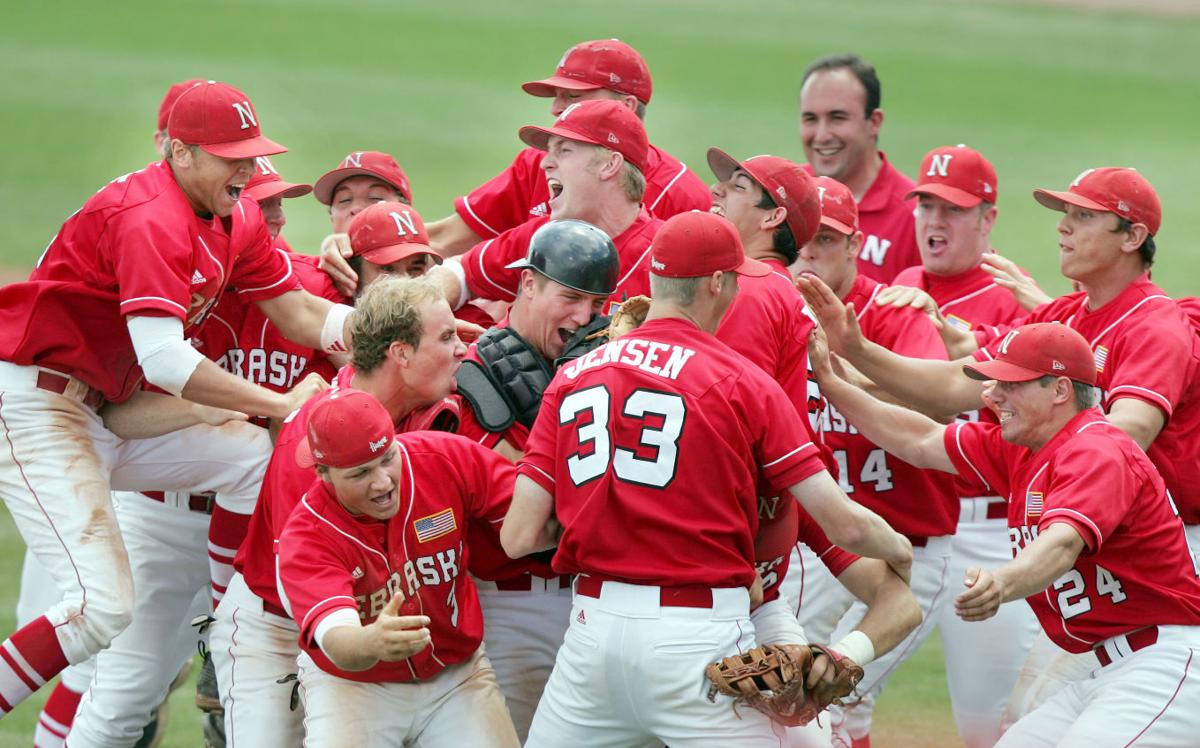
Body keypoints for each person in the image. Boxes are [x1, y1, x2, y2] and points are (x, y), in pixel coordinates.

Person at [501, 211, 912, 746]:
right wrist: (899, 548)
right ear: (718, 284)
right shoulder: (745, 382)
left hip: (590, 642)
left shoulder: (574, 376)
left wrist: (604, 520)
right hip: (697, 642)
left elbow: (518, 536)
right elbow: (846, 526)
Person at [0, 80, 345, 717]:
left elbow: (297, 310)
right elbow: (165, 359)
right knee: (100, 609)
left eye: (250, 151)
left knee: (248, 459)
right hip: (40, 409)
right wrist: (279, 403)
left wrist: (375, 329)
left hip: (105, 410)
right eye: (230, 154)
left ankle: (224, 626)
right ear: (180, 153)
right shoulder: (148, 215)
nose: (246, 167)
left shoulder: (234, 214)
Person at [809, 320, 1200, 747]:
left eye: (1010, 384)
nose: (991, 395)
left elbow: (1063, 542)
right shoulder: (1026, 449)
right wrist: (833, 385)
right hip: (1102, 667)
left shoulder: (1097, 449)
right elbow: (920, 438)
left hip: (1165, 663)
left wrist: (1002, 581)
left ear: (1060, 391)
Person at [798, 167, 1200, 561]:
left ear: (1133, 236)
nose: (1064, 228)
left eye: (1084, 216)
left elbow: (1131, 430)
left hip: (1166, 542)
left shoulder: (1154, 324)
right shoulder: (1062, 315)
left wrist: (1027, 455)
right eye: (1066, 215)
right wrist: (860, 350)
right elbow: (954, 385)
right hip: (1089, 530)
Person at [212, 273, 464, 747]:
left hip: (368, 622)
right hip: (278, 632)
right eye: (447, 337)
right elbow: (301, 577)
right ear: (400, 354)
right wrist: (359, 638)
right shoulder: (316, 438)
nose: (461, 349)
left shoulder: (423, 407)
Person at [780, 175, 955, 747]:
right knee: (805, 691)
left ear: (856, 244)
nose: (809, 251)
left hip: (910, 547)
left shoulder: (895, 312)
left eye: (826, 239)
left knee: (831, 689)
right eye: (801, 236)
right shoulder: (776, 309)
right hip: (824, 545)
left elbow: (932, 401)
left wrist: (844, 376)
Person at [886, 144, 1040, 747]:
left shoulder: (1012, 299)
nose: (933, 222)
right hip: (909, 524)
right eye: (925, 205)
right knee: (837, 692)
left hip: (987, 530)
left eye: (952, 209)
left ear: (987, 218)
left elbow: (1018, 418)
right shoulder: (902, 283)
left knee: (990, 724)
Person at [276, 389, 520, 747]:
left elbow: (533, 513)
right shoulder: (307, 534)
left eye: (387, 458)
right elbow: (339, 641)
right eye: (360, 473)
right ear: (324, 474)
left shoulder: (443, 456)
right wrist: (370, 641)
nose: (382, 482)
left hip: (456, 676)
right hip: (355, 688)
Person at [451, 219, 618, 740]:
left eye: (597, 304)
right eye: (570, 297)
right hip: (506, 605)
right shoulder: (474, 375)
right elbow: (528, 520)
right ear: (528, 284)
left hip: (593, 602)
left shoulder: (611, 369)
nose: (584, 317)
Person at [423, 38, 710, 256]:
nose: (555, 108)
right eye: (556, 96)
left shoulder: (683, 197)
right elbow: (448, 238)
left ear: (625, 106)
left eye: (572, 96)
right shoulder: (537, 163)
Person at [434, 99, 662, 316]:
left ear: (609, 165)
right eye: (550, 152)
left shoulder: (664, 254)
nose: (545, 163)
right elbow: (460, 271)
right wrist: (437, 317)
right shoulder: (544, 235)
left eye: (564, 151)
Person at [799, 53, 918, 283]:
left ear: (874, 122)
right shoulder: (784, 197)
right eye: (810, 119)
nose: (822, 135)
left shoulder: (917, 217)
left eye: (837, 117)